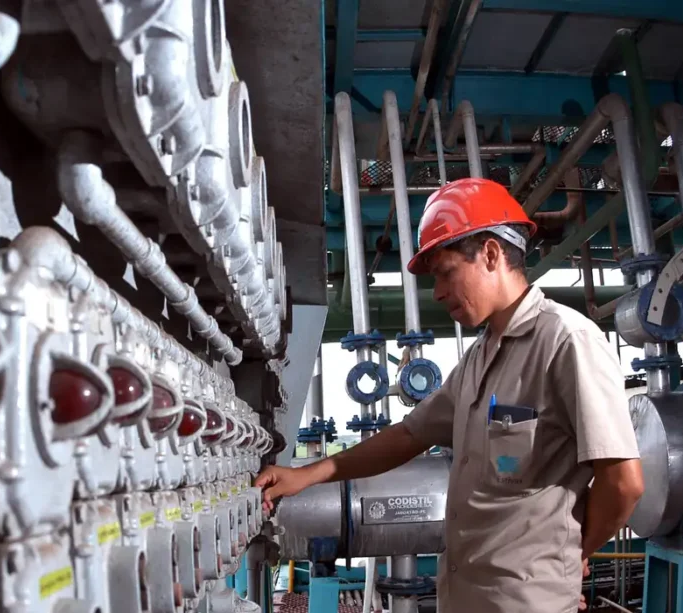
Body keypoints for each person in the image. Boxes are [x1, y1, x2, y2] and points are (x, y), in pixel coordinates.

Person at [255, 178, 645, 613]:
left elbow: (623, 483)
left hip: (526, 601)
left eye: (445, 273)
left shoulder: (566, 342)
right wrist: (306, 475)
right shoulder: (480, 357)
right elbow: (408, 436)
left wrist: (571, 555)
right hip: (464, 596)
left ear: (492, 255)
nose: (438, 292)